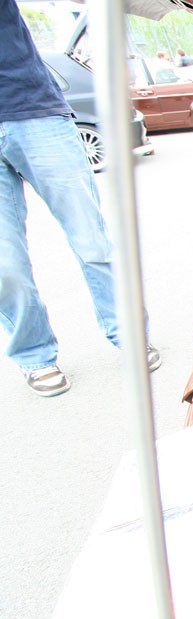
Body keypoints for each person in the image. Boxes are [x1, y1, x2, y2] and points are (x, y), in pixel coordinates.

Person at [0, 0, 160, 397]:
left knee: (91, 239)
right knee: (5, 263)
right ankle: (35, 356)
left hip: (32, 109)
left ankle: (129, 334)